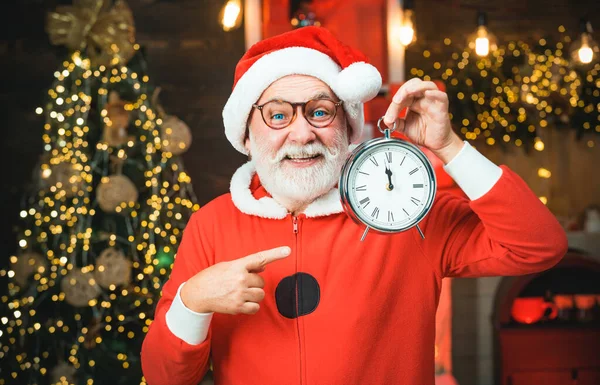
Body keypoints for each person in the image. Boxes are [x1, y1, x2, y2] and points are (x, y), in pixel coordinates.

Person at [141, 26, 567, 385]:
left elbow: (538, 246)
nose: (302, 133)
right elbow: (165, 377)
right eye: (277, 116)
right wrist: (192, 301)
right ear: (246, 135)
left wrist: (450, 146)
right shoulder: (211, 225)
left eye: (320, 112)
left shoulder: (406, 212)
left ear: (348, 127)